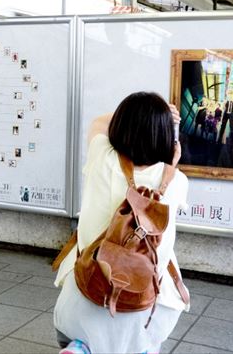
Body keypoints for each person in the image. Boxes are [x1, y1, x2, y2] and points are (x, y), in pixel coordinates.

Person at [53, 91, 190, 354]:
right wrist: (172, 162)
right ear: (166, 137)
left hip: (85, 298)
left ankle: (81, 348)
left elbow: (98, 123)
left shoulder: (101, 157)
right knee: (144, 341)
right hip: (144, 310)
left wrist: (136, 115)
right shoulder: (177, 182)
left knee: (78, 332)